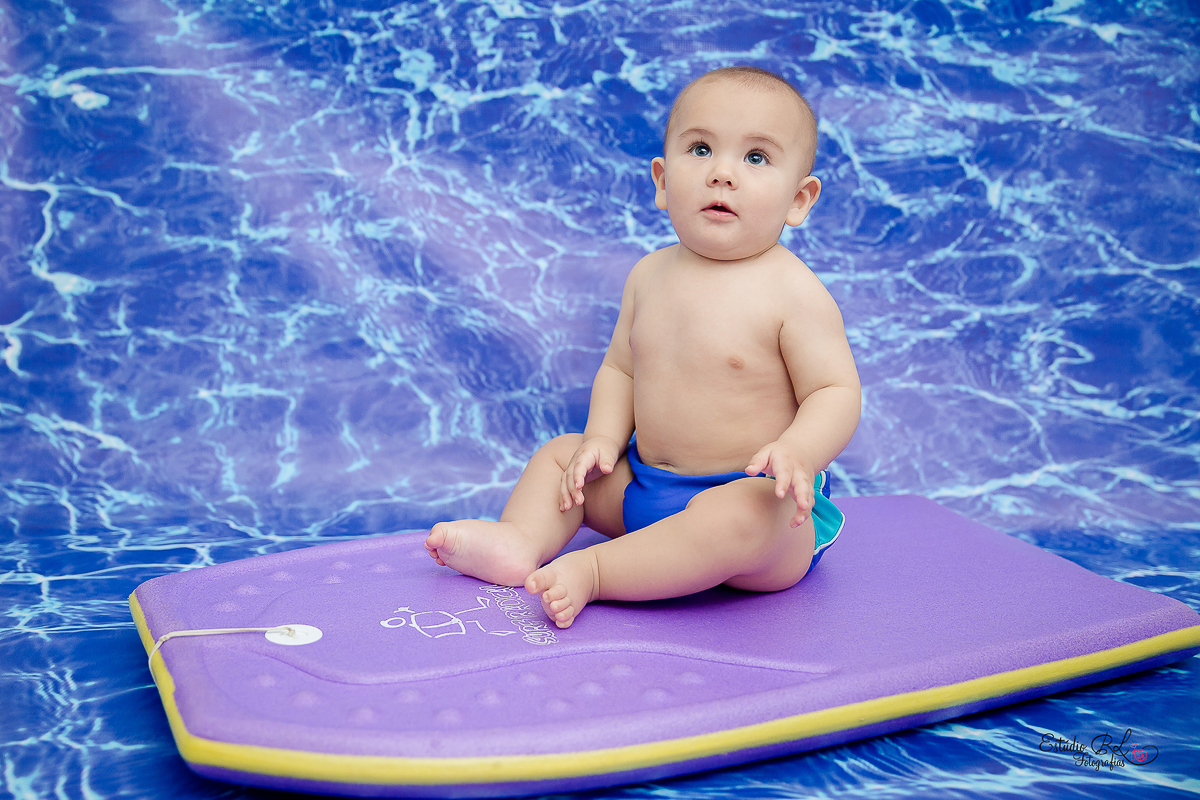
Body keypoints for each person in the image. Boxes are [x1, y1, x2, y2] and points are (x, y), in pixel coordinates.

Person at [425, 66, 861, 628]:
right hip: (646, 490)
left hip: (752, 510)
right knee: (561, 456)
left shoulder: (793, 291)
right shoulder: (648, 275)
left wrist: (799, 451)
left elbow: (835, 390)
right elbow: (621, 370)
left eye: (756, 158)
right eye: (700, 149)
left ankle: (599, 571)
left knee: (744, 517)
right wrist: (602, 440)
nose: (722, 173)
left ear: (799, 200)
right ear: (661, 180)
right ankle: (520, 541)